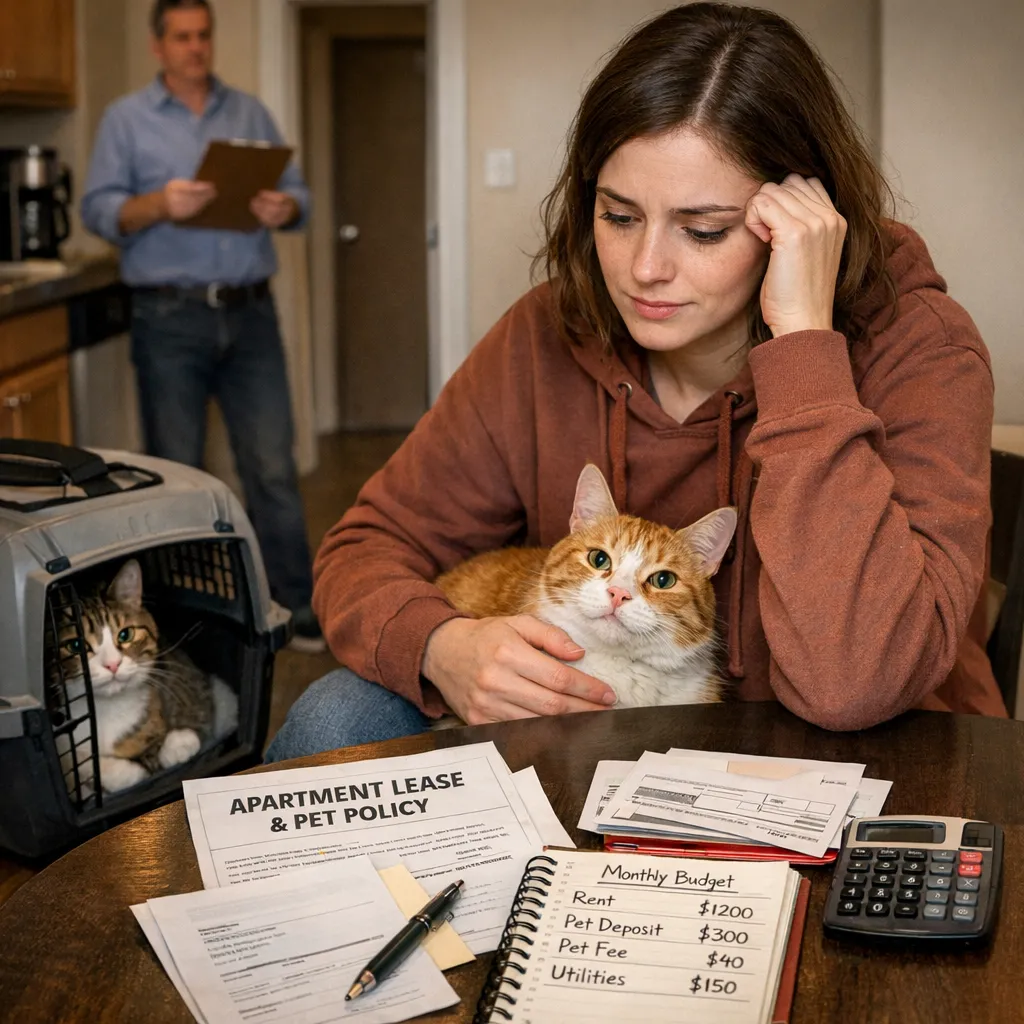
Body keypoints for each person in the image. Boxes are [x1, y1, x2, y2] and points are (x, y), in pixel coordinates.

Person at [266, 2, 1005, 759]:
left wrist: (807, 349)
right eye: (619, 216)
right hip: (592, 742)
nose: (645, 269)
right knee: (336, 718)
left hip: (866, 758)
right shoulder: (547, 332)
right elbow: (365, 548)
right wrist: (443, 646)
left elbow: (857, 682)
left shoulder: (920, 348)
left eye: (704, 229)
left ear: (802, 219)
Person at [81, 0, 323, 652]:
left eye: (203, 35)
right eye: (182, 37)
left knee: (271, 464)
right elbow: (99, 211)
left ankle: (296, 606)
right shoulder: (125, 121)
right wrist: (160, 202)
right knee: (177, 470)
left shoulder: (248, 112)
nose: (196, 47)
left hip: (250, 313)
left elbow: (299, 196)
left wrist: (283, 205)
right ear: (158, 46)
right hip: (168, 317)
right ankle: (181, 618)